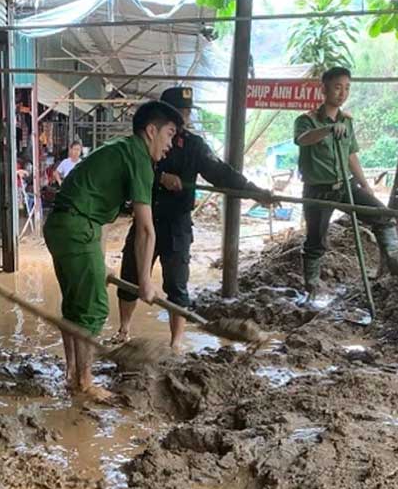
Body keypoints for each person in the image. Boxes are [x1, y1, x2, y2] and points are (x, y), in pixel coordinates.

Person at [112, 87, 275, 350]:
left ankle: (176, 342)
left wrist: (254, 192)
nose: (185, 118)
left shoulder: (194, 146)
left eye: (187, 113)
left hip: (177, 223)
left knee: (176, 284)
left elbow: (221, 173)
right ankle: (124, 330)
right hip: (146, 216)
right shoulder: (144, 140)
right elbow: (129, 170)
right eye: (180, 113)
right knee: (130, 276)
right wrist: (160, 177)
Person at [43, 101, 182, 402]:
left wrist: (100, 261)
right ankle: (84, 382)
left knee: (76, 307)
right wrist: (145, 281)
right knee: (93, 308)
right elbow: (145, 228)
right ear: (151, 131)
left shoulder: (120, 148)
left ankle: (71, 374)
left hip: (62, 226)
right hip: (77, 229)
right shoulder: (140, 160)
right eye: (169, 135)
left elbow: (101, 214)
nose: (170, 145)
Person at [294, 66, 398, 298]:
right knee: (316, 240)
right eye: (337, 87)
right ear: (324, 89)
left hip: (345, 186)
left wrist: (364, 184)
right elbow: (302, 140)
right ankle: (311, 285)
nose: (342, 93)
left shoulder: (347, 121)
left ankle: (394, 260)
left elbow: (351, 155)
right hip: (317, 191)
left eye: (347, 88)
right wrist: (328, 129)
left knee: (382, 215)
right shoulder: (306, 120)